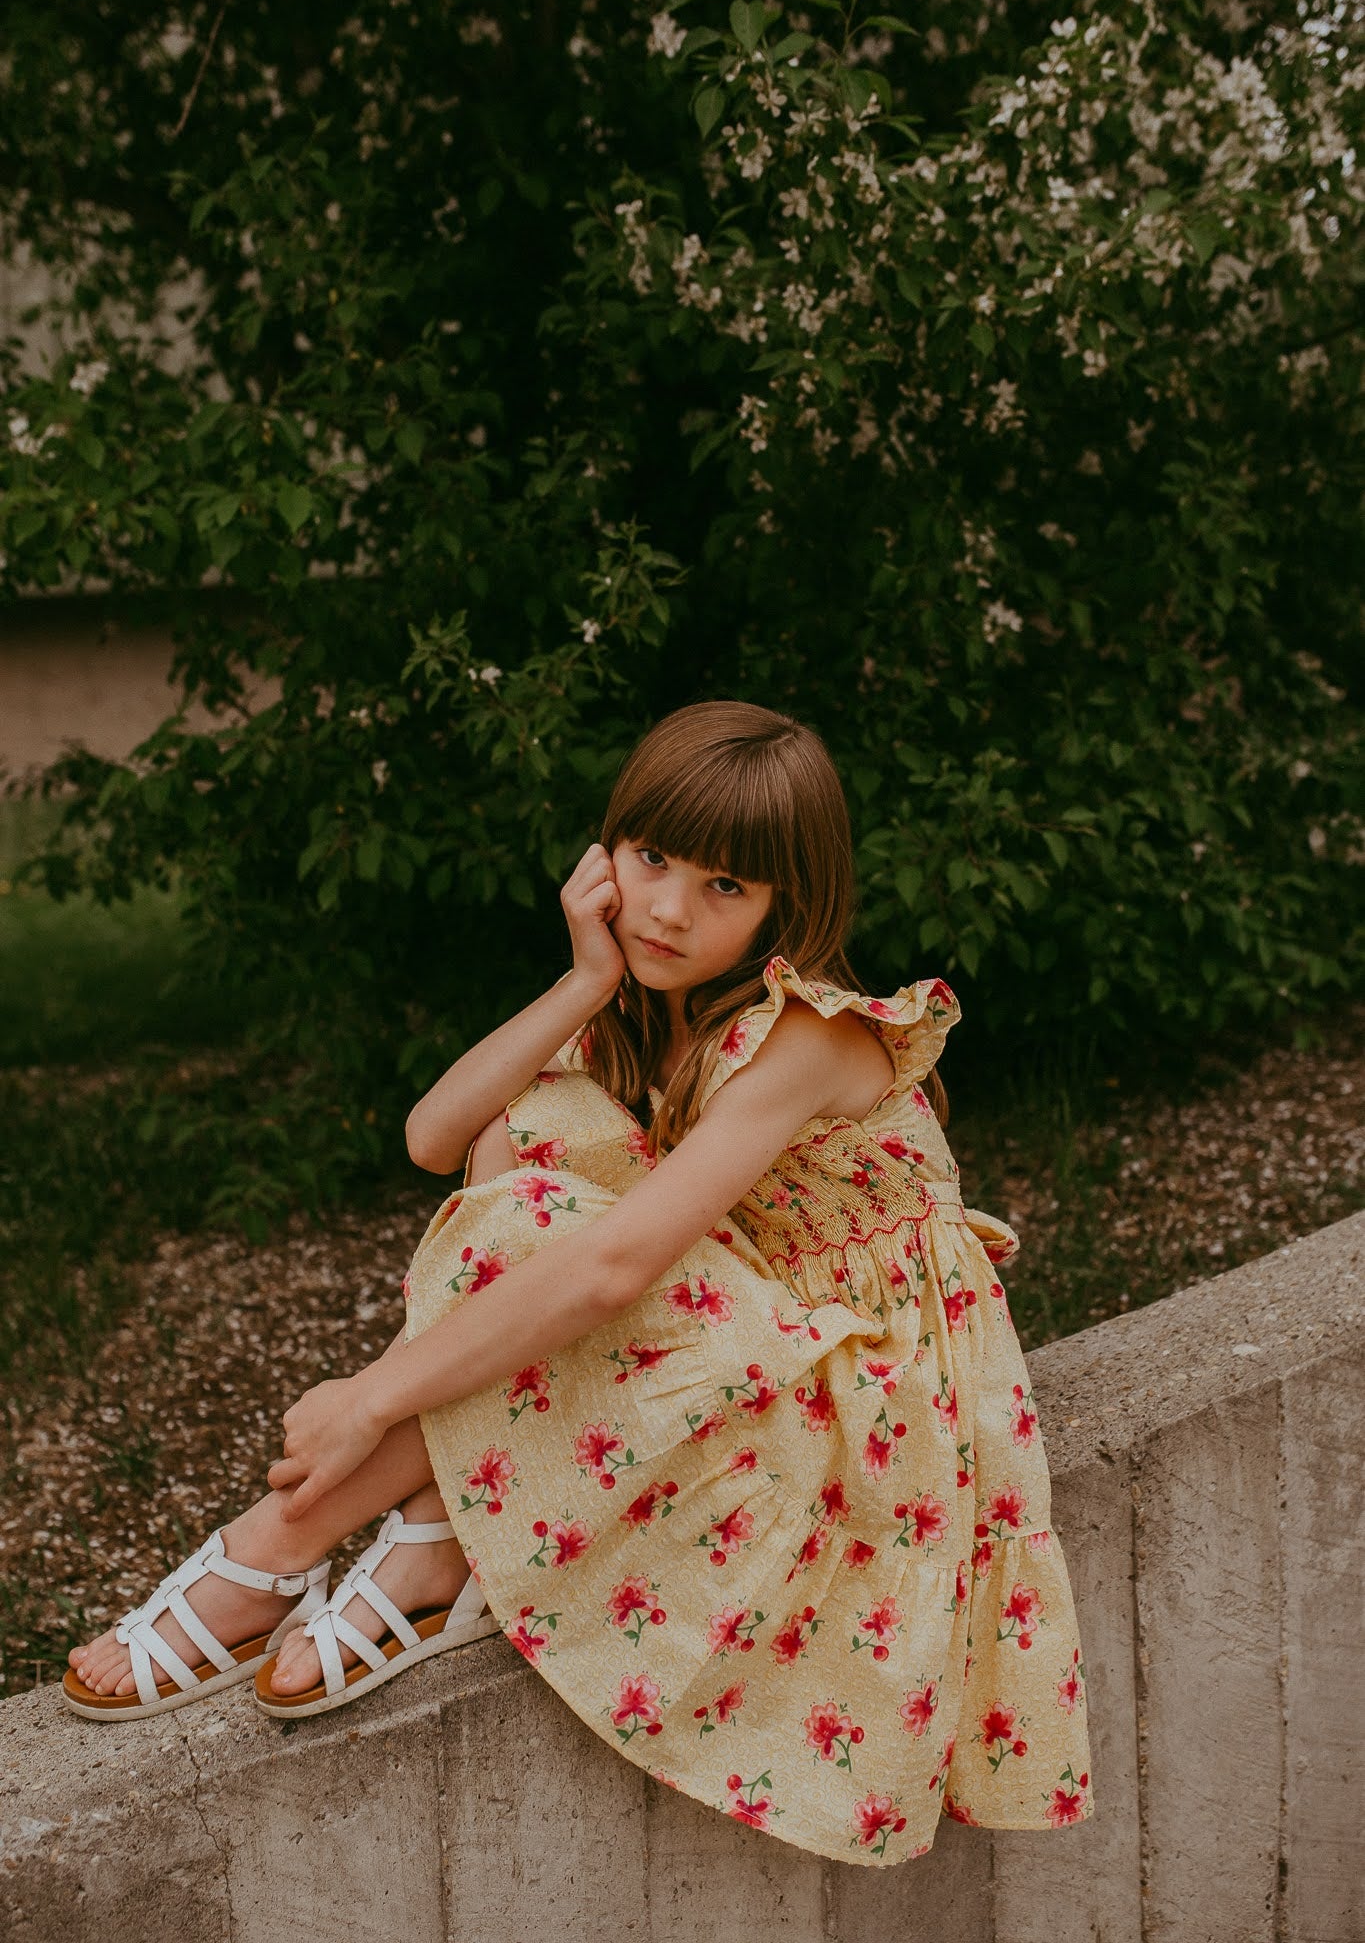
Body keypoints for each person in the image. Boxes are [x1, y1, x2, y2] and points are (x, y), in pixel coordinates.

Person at [64, 699, 1093, 1866]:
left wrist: (368, 1396)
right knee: (536, 1129)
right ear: (606, 851)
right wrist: (583, 978)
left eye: (725, 887)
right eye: (653, 858)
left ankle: (293, 1535)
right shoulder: (651, 1010)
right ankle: (428, 1543)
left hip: (870, 1395)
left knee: (565, 1230)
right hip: (756, 1317)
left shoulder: (812, 1035)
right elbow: (435, 1131)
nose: (668, 906)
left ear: (783, 912)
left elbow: (611, 1266)